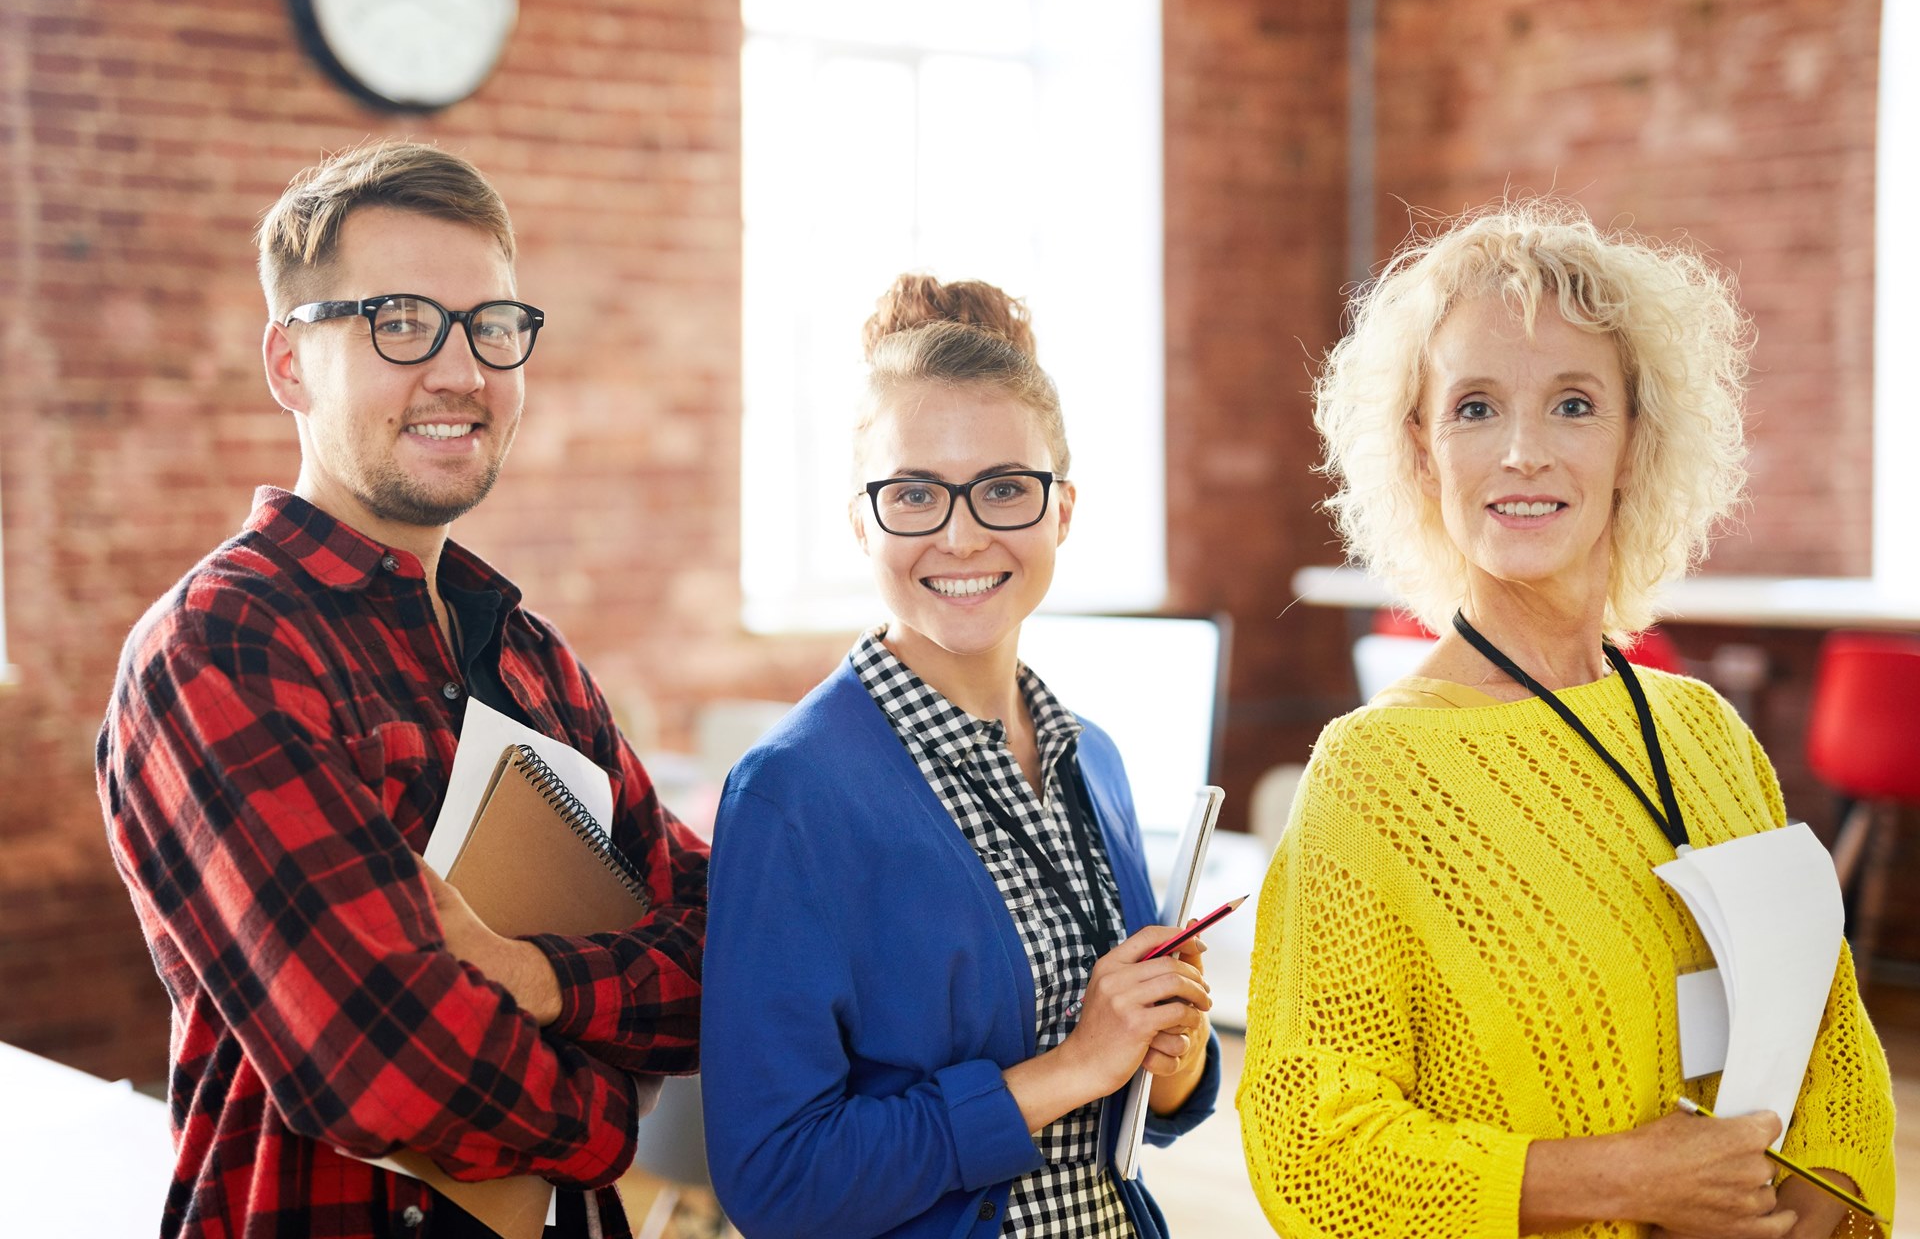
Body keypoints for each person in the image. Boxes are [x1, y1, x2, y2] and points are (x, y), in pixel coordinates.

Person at [1237, 200, 1896, 1238]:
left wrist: (1816, 1202)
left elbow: (1833, 1036)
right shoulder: (1371, 775)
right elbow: (1312, 1144)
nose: (1524, 453)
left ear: (1638, 440)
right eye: (1476, 407)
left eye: (1575, 405)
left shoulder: (1708, 732)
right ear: (1422, 449)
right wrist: (1620, 1183)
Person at [95, 140, 708, 1239]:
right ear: (290, 363)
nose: (462, 370)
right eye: (400, 322)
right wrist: (616, 1110)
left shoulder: (528, 652)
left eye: (493, 326)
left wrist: (538, 979)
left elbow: (724, 944)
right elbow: (380, 1059)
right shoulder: (222, 643)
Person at [700, 275, 1220, 1238]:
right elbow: (775, 1181)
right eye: (913, 495)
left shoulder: (1088, 759)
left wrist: (1171, 1048)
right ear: (863, 522)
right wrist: (1069, 1070)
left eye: (1005, 489)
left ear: (1063, 509)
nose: (962, 532)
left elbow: (1137, 1104)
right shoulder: (793, 795)